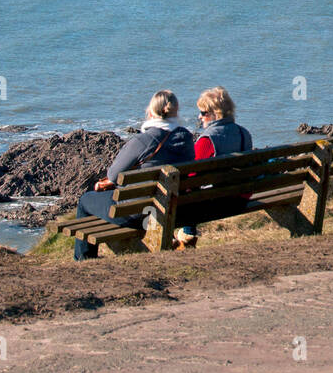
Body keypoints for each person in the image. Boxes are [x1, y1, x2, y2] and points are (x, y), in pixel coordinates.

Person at [72, 90, 195, 260]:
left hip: (138, 212)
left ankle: (84, 261)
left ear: (151, 112)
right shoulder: (187, 138)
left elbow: (113, 175)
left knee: (86, 201)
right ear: (175, 111)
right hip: (174, 208)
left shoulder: (143, 141)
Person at [175, 86, 253, 247]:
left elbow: (191, 177)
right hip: (240, 199)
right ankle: (186, 236)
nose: (200, 116)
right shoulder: (244, 133)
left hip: (217, 203)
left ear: (214, 114)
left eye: (203, 113)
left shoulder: (207, 140)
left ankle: (187, 236)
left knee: (181, 190)